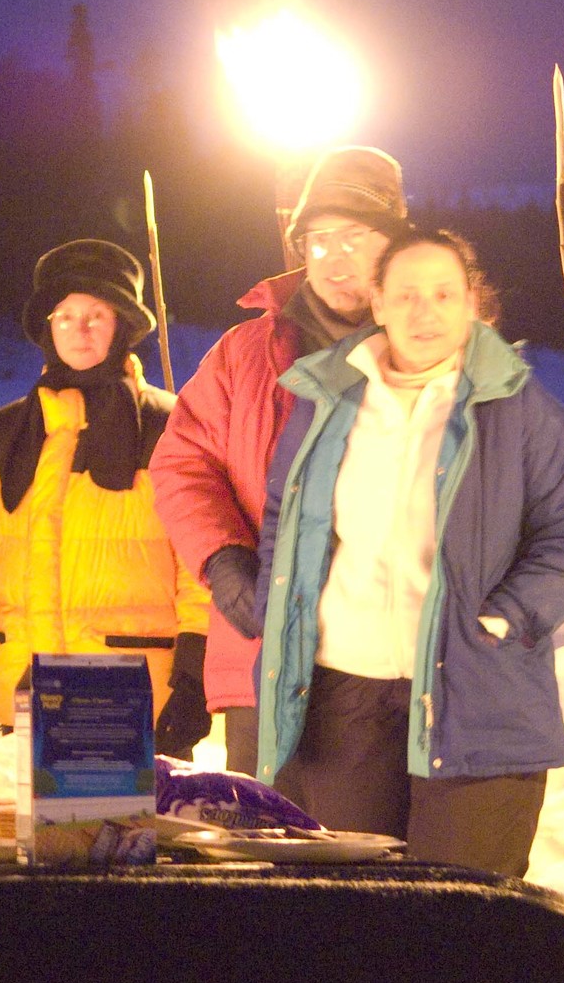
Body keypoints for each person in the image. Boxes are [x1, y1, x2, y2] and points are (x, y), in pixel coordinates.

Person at [250, 229, 564, 875]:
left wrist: (501, 621)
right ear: (377, 303)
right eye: (405, 294)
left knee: (463, 920)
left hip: (476, 692)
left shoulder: (520, 412)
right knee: (358, 913)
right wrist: (282, 608)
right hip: (343, 699)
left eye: (443, 293)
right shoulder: (329, 400)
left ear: (473, 303)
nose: (424, 311)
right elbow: (284, 516)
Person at [150, 146, 408, 772]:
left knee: (388, 856)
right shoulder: (247, 351)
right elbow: (183, 462)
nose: (334, 256)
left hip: (397, 662)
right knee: (275, 852)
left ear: (397, 244)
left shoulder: (432, 345)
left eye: (355, 236)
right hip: (264, 657)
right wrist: (224, 559)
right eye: (318, 239)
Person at [0, 241, 211, 754]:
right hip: (21, 693)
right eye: (64, 316)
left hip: (135, 697)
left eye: (96, 315)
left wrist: (193, 673)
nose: (79, 329)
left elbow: (198, 565)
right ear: (46, 327)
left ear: (123, 325)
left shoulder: (168, 426)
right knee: (28, 836)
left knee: (133, 838)